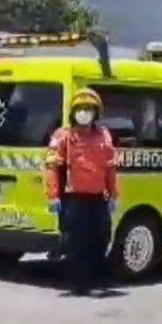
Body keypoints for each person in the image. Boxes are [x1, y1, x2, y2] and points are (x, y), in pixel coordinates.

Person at [45, 88, 118, 296]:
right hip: (73, 200)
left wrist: (114, 194)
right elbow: (51, 167)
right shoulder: (63, 136)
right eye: (80, 109)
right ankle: (79, 284)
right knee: (75, 244)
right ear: (73, 112)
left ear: (96, 113)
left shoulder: (103, 135)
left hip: (98, 199)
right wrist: (53, 195)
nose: (84, 113)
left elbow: (110, 167)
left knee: (102, 239)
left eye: (88, 109)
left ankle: (97, 279)